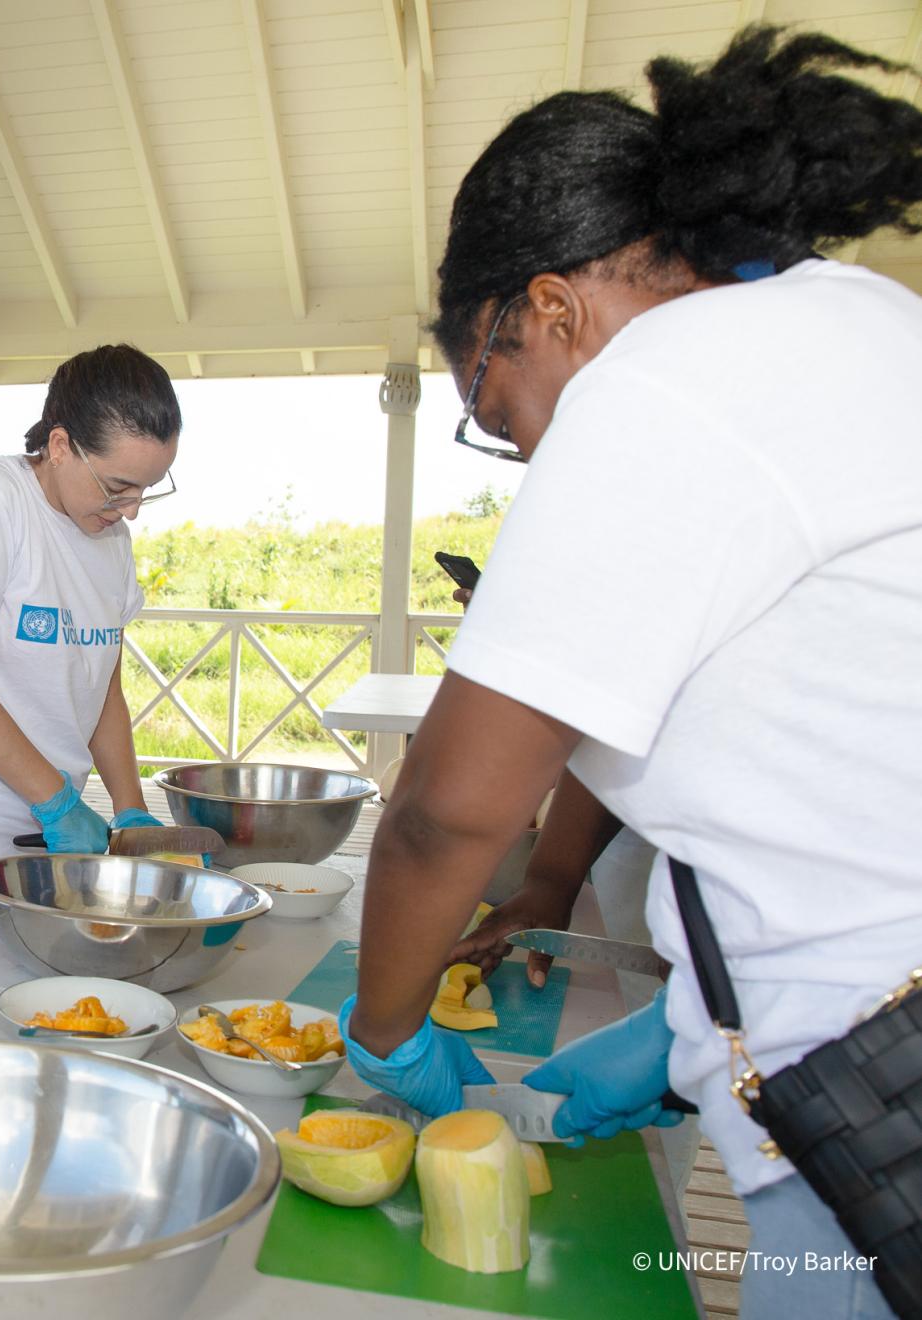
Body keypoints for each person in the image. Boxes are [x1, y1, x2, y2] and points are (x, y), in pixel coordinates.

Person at [340, 26, 922, 1319]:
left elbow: (448, 805)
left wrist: (382, 1024)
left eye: (498, 413)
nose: (527, 454)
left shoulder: (660, 382)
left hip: (877, 1084)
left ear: (546, 308)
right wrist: (677, 1042)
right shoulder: (857, 325)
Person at [0, 345, 179, 945]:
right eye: (120, 487)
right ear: (62, 445)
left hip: (50, 846)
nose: (132, 511)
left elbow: (103, 691)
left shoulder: (110, 537)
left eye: (147, 490)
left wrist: (130, 811)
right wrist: (57, 804)